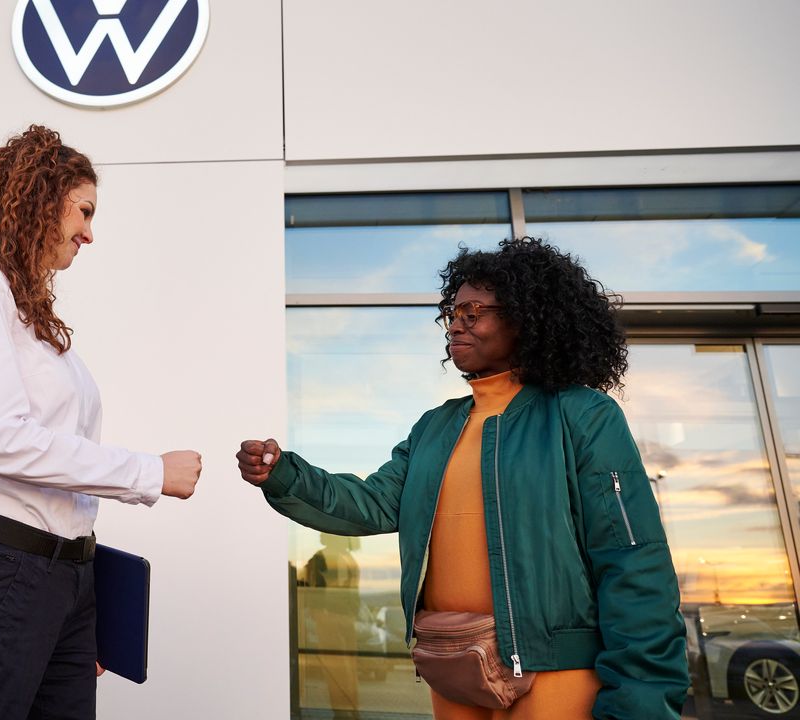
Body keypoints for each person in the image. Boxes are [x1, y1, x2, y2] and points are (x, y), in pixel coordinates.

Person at [237, 237, 688, 719]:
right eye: (453, 312)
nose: (456, 323)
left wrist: (640, 699)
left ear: (526, 319)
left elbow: (632, 562)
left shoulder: (582, 414)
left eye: (474, 311)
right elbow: (371, 502)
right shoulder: (436, 426)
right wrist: (283, 474)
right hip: (453, 664)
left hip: (553, 671)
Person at [0, 125, 202, 720]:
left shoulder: (30, 317)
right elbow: (3, 442)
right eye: (84, 212)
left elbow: (55, 459)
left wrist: (74, 604)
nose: (90, 234)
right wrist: (149, 472)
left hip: (63, 584)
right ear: (42, 197)